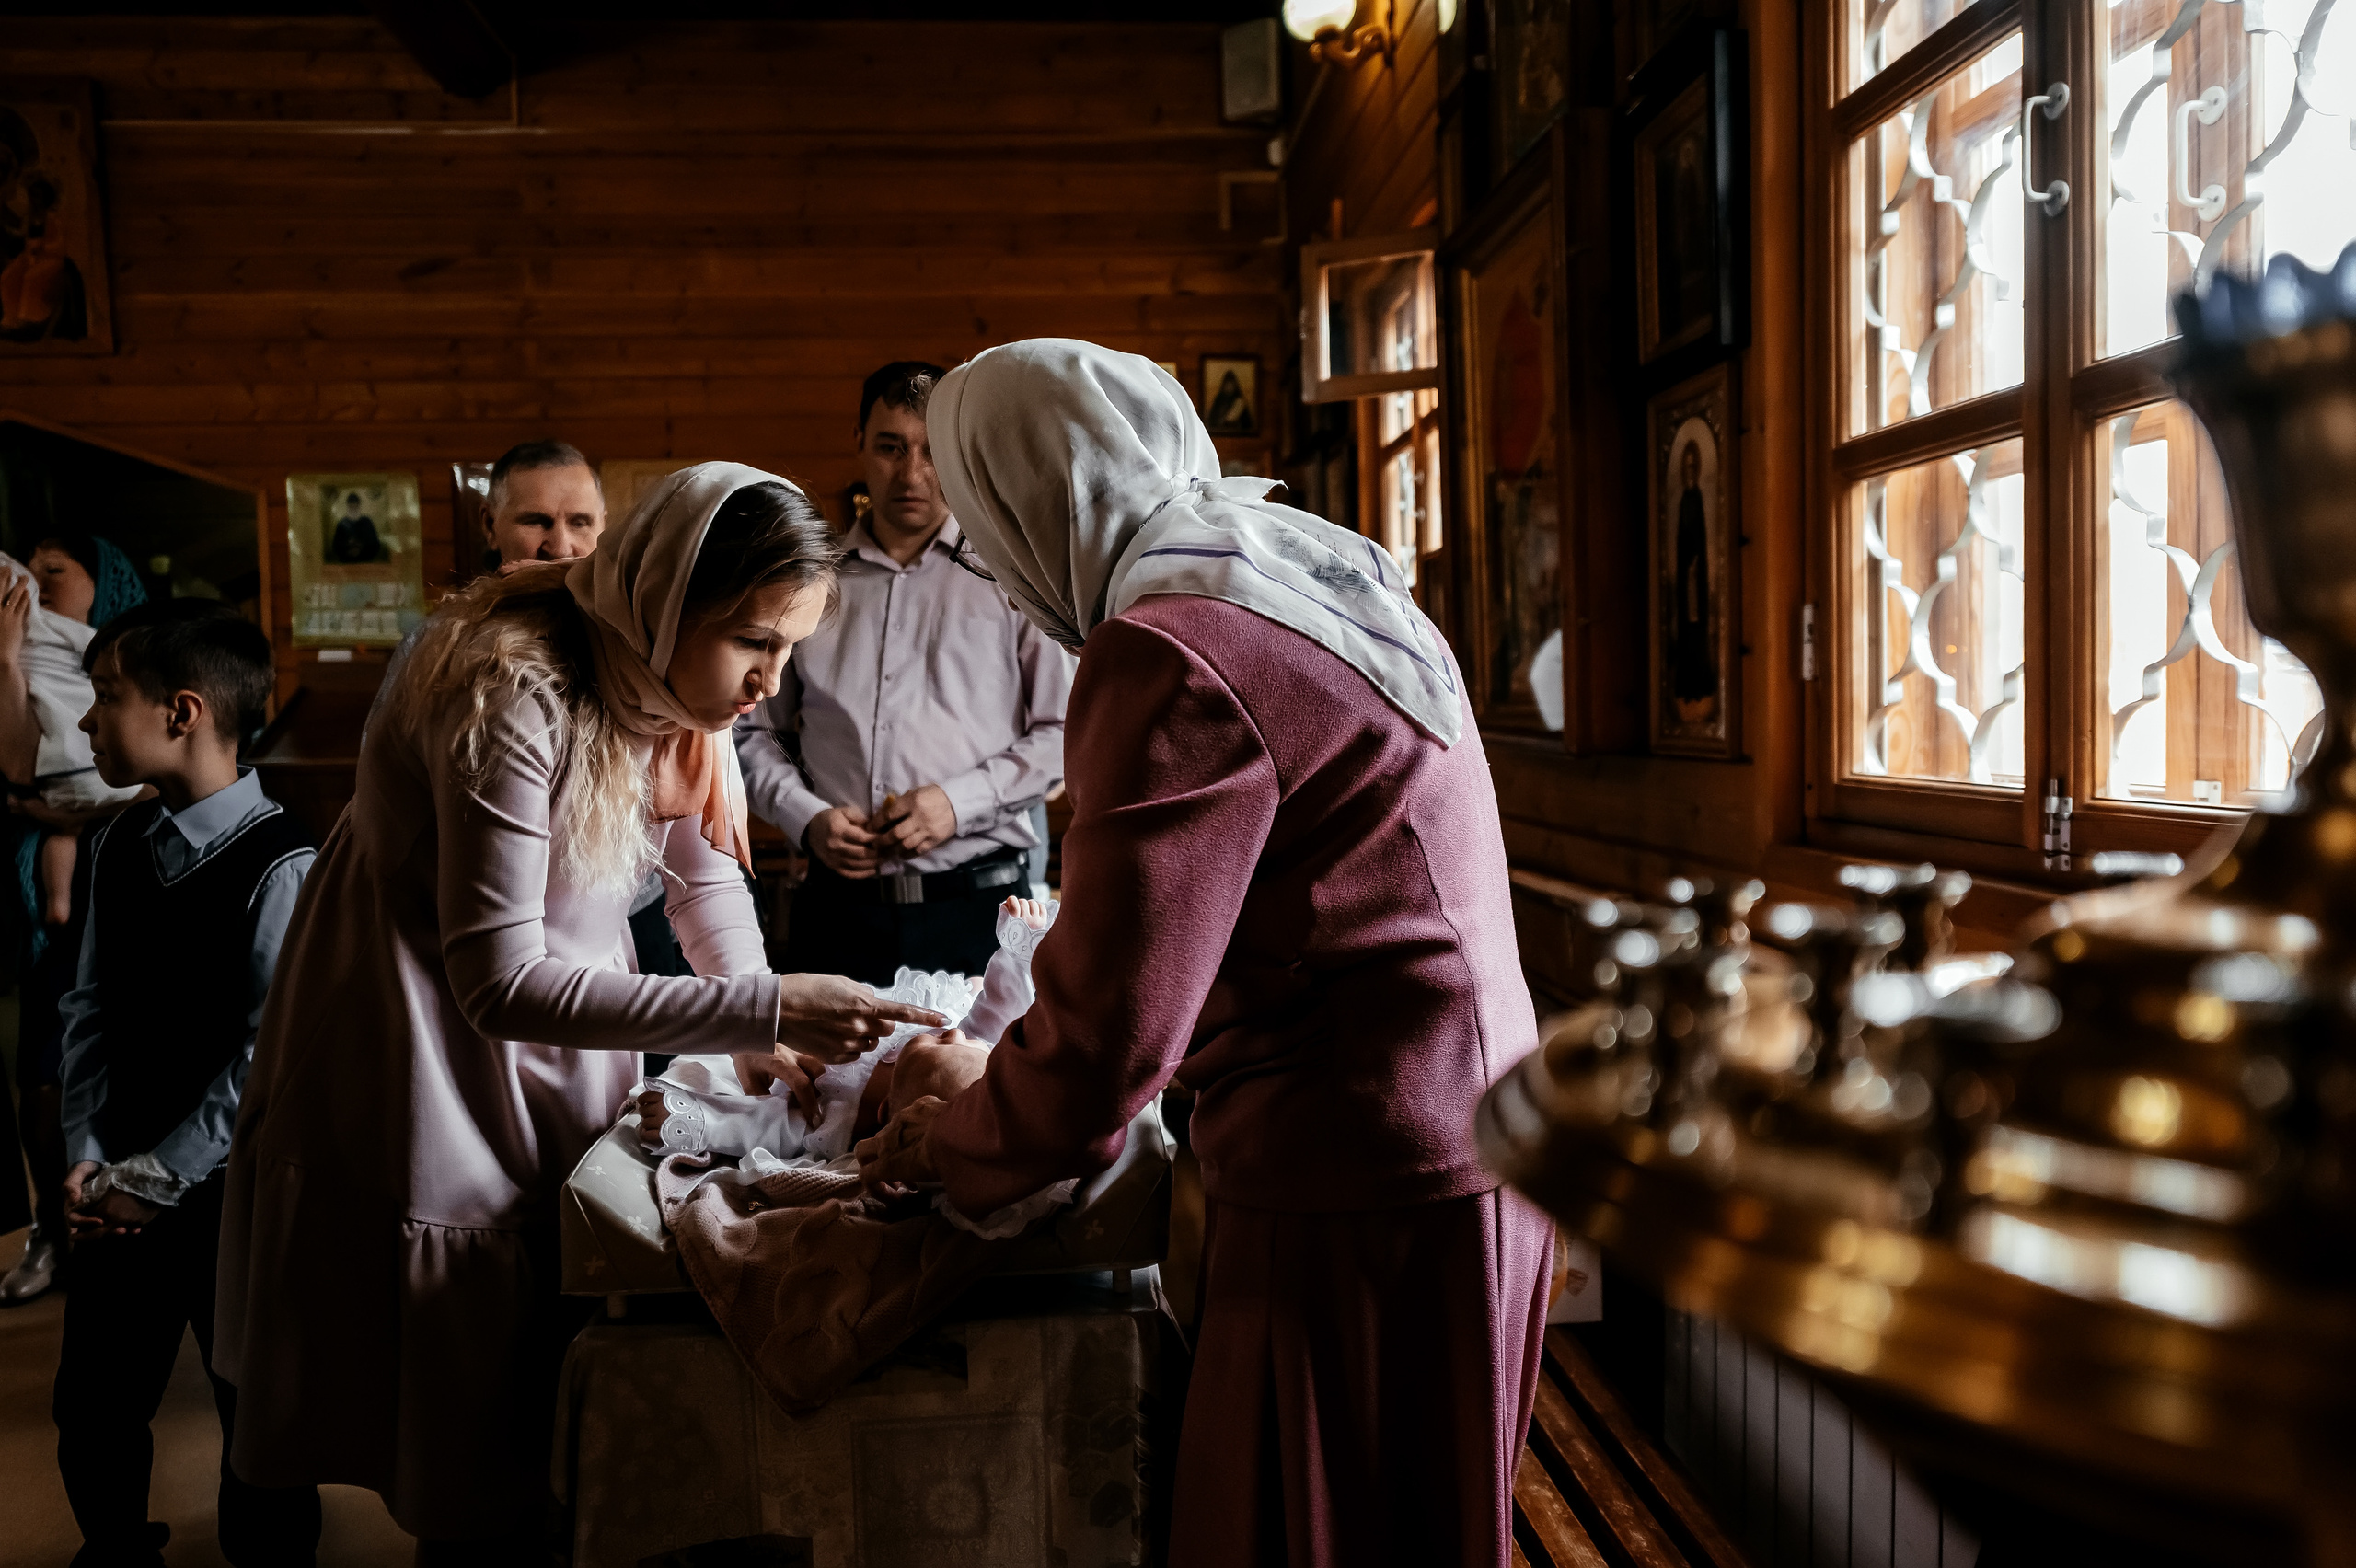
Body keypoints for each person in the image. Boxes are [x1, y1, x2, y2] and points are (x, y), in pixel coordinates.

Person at [858, 340, 1552, 1568]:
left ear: (1032, 501)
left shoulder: (1170, 650)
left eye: (986, 533)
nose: (999, 580)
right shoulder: (1309, 569)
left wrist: (952, 1141)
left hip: (1359, 1166)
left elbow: (1106, 1042)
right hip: (1483, 1124)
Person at [214, 463, 946, 1561]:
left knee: (531, 1362)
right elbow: (495, 982)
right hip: (419, 1022)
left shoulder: (669, 682)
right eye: (753, 641)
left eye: (790, 648)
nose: (770, 680)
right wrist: (758, 1007)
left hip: (561, 1003)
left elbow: (703, 876)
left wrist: (754, 1022)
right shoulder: (509, 689)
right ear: (669, 603)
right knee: (455, 1389)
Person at [52, 599, 323, 1567]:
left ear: (182, 712)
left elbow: (270, 1056)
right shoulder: (114, 845)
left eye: (104, 695)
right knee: (92, 1405)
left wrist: (155, 1177)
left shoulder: (286, 863)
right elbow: (87, 1011)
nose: (87, 720)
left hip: (230, 1198)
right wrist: (88, 1157)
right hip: (113, 1190)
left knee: (256, 1416)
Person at [735, 361, 1071, 986]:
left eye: (931, 451)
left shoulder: (1015, 576)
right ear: (859, 442)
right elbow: (751, 730)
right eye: (891, 448)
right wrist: (805, 817)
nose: (911, 474)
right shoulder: (810, 580)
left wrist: (957, 804)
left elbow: (1064, 735)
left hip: (982, 912)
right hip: (835, 914)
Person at [0, 530, 149, 1308]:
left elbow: (160, 779)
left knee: (136, 1062)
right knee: (44, 1074)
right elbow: (18, 767)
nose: (36, 583)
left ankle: (128, 1220)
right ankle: (51, 1230)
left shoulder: (149, 661)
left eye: (55, 571)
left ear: (105, 582)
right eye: (29, 571)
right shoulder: (25, 653)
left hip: (130, 877)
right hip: (56, 898)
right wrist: (6, 662)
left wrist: (67, 810)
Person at [633, 894, 1056, 1164]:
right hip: (928, 1000)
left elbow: (768, 1127)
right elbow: (1001, 1008)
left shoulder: (840, 1118)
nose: (954, 1034)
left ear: (887, 1113)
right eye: (970, 1045)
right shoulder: (979, 1050)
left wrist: (698, 1120)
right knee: (983, 1002)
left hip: (787, 1047)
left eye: (937, 1049)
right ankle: (974, 986)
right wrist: (1020, 946)